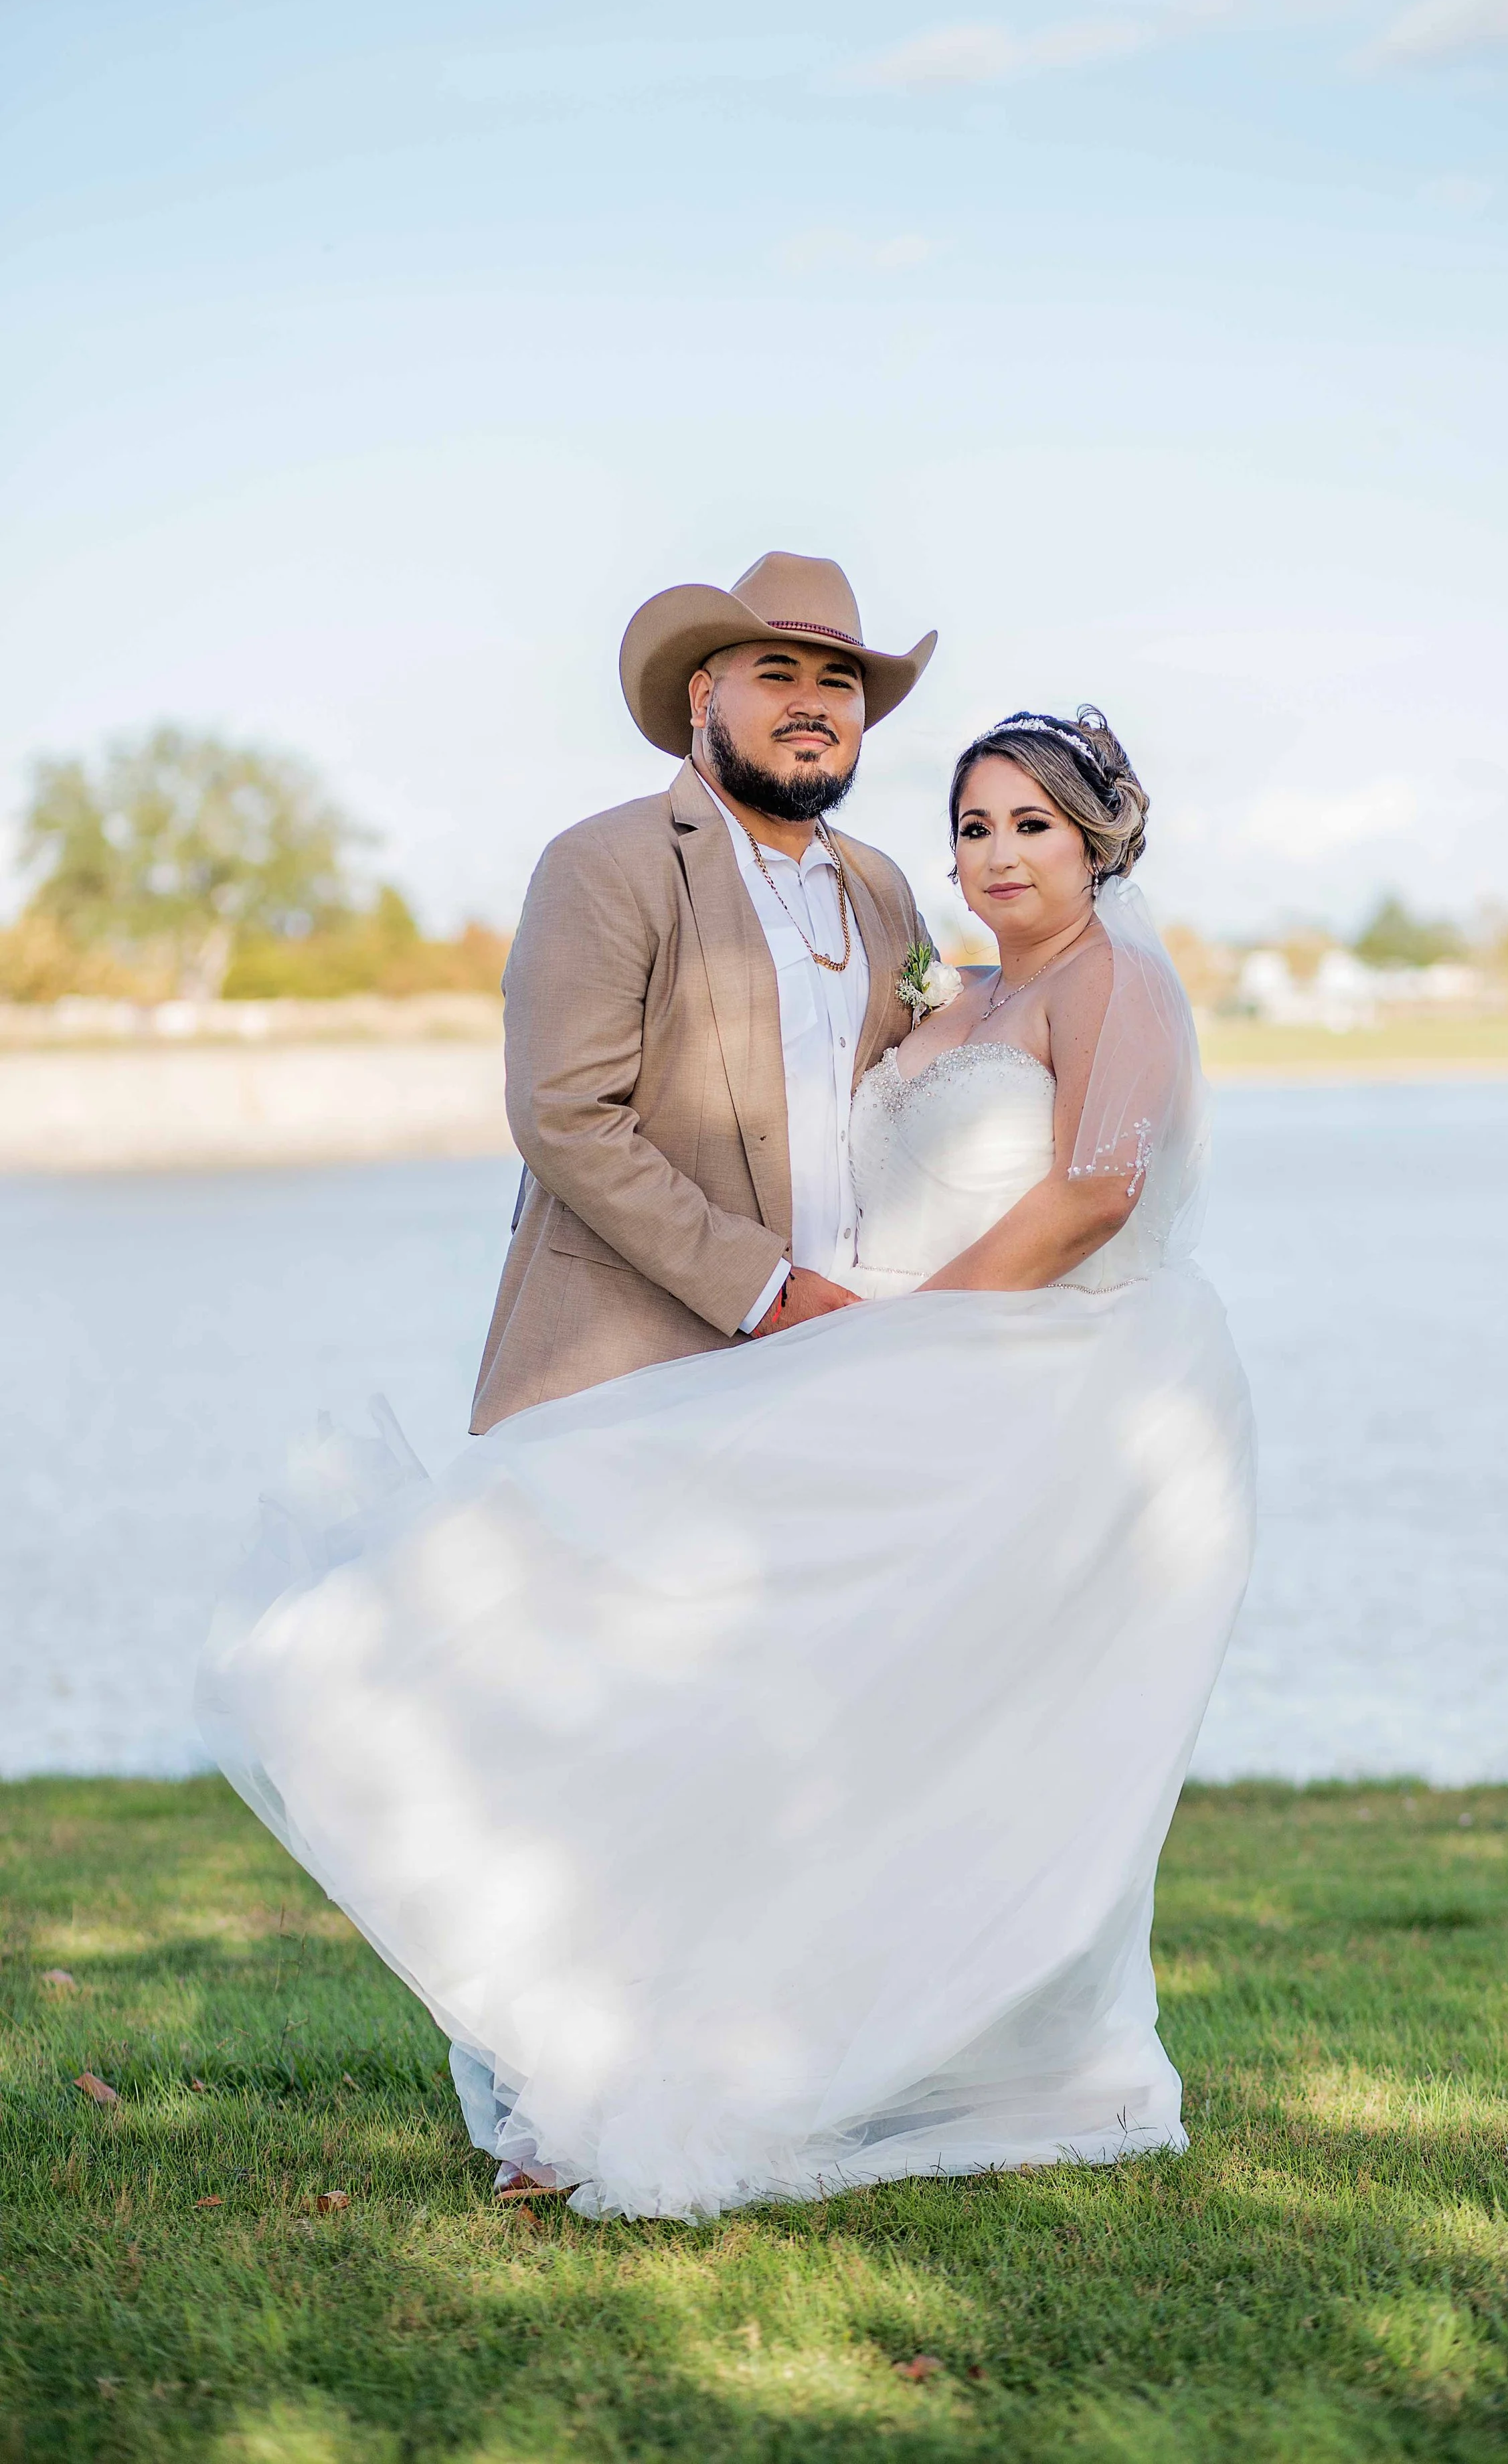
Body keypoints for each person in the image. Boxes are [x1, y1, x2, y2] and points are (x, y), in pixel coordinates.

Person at [197, 697, 1256, 2225]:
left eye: (1033, 823)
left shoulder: (1114, 985)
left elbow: (1091, 1194)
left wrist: (895, 1344)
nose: (998, 852)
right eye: (973, 823)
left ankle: (818, 2042)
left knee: (856, 1717)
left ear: (1099, 842)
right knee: (678, 1657)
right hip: (886, 1376)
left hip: (1007, 1397)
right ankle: (599, 2022)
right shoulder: (940, 997)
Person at [470, 550, 937, 1430]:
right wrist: (765, 1289)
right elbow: (565, 1114)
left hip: (853, 1375)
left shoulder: (883, 886)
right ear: (702, 697)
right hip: (636, 1385)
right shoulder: (606, 863)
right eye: (777, 674)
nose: (812, 703)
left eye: (839, 683)